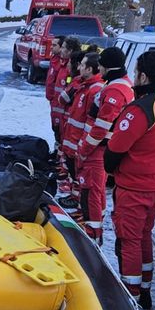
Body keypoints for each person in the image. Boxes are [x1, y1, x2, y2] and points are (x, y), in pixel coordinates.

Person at [105, 50, 155, 308]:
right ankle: (146, 287)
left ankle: (131, 296)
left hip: (135, 185)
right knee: (144, 234)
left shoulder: (140, 109)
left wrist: (110, 169)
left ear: (143, 75)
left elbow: (115, 150)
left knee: (128, 240)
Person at [76, 47, 134, 245]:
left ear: (107, 66)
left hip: (97, 149)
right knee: (96, 190)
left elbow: (101, 126)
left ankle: (92, 233)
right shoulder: (118, 85)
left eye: (100, 64)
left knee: (91, 191)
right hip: (100, 148)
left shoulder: (115, 90)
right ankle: (95, 226)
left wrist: (84, 150)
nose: (98, 67)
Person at [58, 50, 89, 211]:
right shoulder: (80, 84)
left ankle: (78, 202)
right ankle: (74, 196)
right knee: (73, 168)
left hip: (80, 140)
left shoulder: (89, 89)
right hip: (71, 133)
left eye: (83, 65)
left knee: (80, 174)